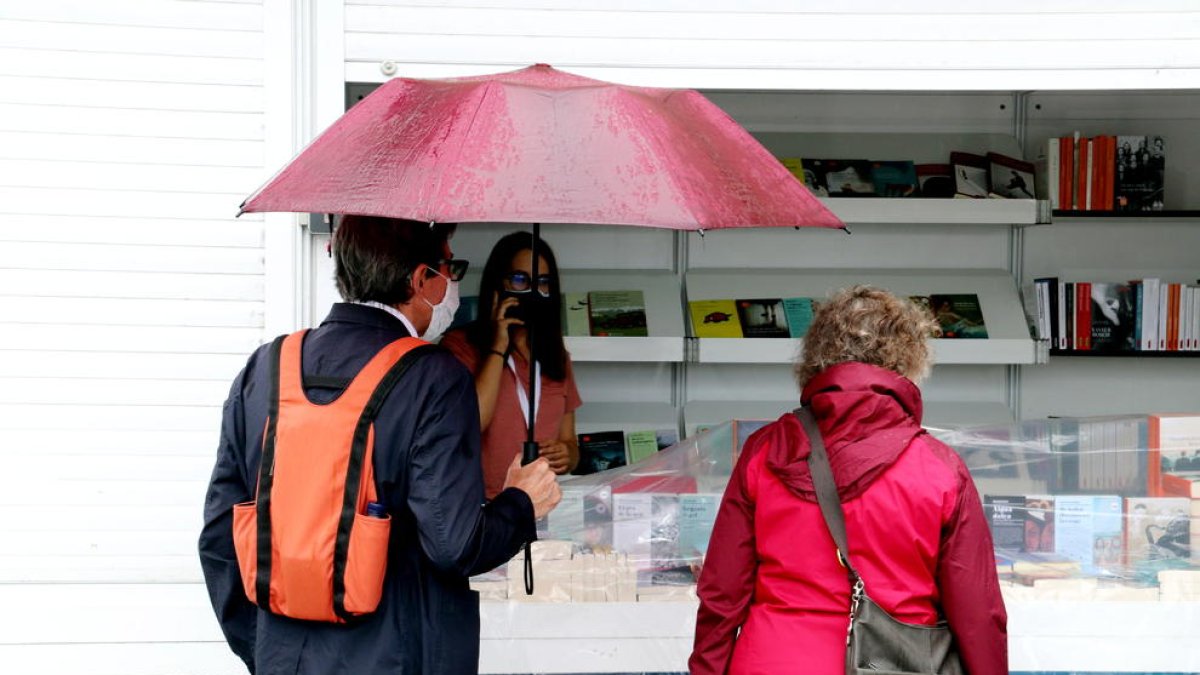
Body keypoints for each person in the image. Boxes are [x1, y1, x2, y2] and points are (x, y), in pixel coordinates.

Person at [198, 216, 562, 675]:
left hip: (285, 657)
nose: (452, 283)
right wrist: (522, 502)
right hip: (402, 658)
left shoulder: (266, 368)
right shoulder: (435, 377)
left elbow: (219, 539)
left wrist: (267, 650)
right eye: (450, 268)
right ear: (421, 280)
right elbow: (455, 544)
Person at [690, 285, 1007, 675]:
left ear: (814, 360)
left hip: (772, 659)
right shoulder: (940, 468)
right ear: (909, 362)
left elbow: (722, 594)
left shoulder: (764, 451)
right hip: (897, 663)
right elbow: (978, 613)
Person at [441, 232, 582, 498]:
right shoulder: (461, 346)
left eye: (543, 282)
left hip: (538, 504)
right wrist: (498, 347)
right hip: (479, 504)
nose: (533, 291)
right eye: (520, 280)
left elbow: (571, 446)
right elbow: (470, 423)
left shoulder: (556, 355)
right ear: (498, 284)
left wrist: (567, 454)